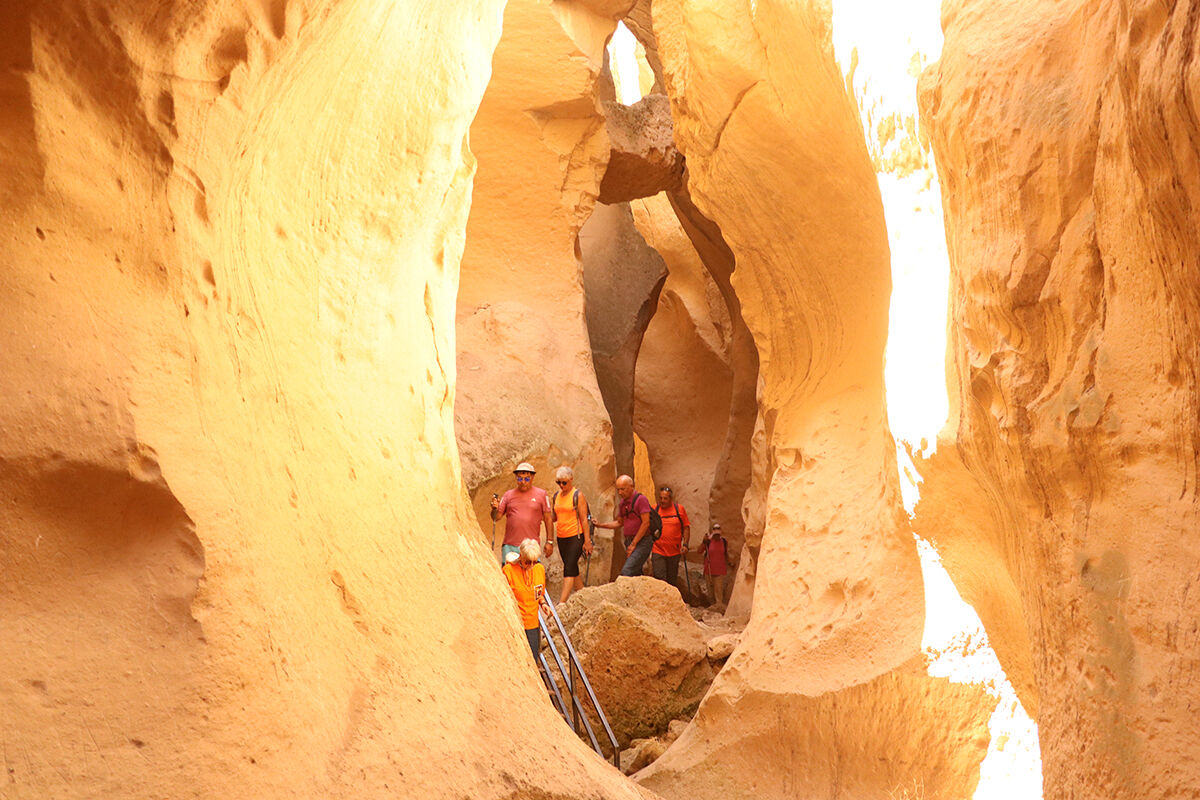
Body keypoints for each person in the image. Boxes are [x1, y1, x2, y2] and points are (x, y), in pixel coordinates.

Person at [491, 462, 554, 564]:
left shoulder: (542, 494)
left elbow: (548, 519)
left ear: (532, 477)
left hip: (531, 546)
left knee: (531, 573)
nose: (523, 482)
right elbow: (496, 517)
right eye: (520, 479)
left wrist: (549, 541)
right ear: (516, 478)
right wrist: (494, 509)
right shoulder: (508, 495)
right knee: (509, 573)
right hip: (510, 545)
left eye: (527, 479)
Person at [594, 474, 653, 577]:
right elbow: (619, 523)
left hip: (642, 541)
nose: (620, 492)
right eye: (618, 490)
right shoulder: (623, 503)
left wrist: (634, 544)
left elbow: (646, 523)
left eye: (623, 489)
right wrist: (600, 525)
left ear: (631, 487)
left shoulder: (641, 500)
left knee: (627, 571)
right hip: (629, 541)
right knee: (635, 572)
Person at [550, 465, 592, 603]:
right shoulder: (556, 496)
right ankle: (585, 598)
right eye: (558, 482)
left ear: (571, 479)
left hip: (576, 536)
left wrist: (587, 541)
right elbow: (554, 517)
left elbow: (584, 519)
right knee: (573, 568)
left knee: (568, 568)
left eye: (564, 482)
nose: (561, 485)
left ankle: (562, 603)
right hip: (561, 537)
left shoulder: (577, 495)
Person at [502, 539, 549, 656]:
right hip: (516, 625)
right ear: (521, 556)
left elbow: (539, 593)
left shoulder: (539, 569)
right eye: (528, 562)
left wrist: (543, 603)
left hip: (533, 625)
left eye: (534, 561)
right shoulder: (509, 570)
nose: (531, 565)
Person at [651, 486, 690, 589]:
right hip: (658, 550)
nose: (662, 501)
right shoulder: (654, 509)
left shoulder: (679, 509)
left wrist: (685, 544)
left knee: (672, 580)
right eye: (661, 498)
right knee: (659, 579)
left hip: (674, 551)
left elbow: (686, 527)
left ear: (671, 499)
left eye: (665, 498)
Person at [702, 522, 732, 608]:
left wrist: (730, 562)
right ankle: (712, 608)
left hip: (720, 570)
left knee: (719, 591)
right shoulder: (708, 542)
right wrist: (704, 542)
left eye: (718, 530)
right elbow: (699, 551)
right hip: (709, 570)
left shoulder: (724, 542)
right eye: (715, 530)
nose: (716, 533)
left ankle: (718, 607)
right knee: (710, 591)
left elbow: (726, 553)